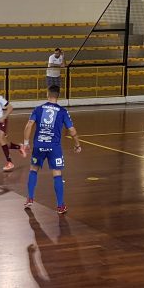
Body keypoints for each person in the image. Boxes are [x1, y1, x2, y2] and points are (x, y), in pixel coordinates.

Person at [22, 85, 82, 214]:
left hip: (38, 145)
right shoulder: (62, 111)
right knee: (57, 174)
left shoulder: (38, 109)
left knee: (33, 170)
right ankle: (60, 206)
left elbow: (29, 125)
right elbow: (72, 130)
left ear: (47, 94)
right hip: (54, 147)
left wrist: (26, 143)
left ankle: (29, 198)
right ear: (58, 95)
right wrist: (77, 144)